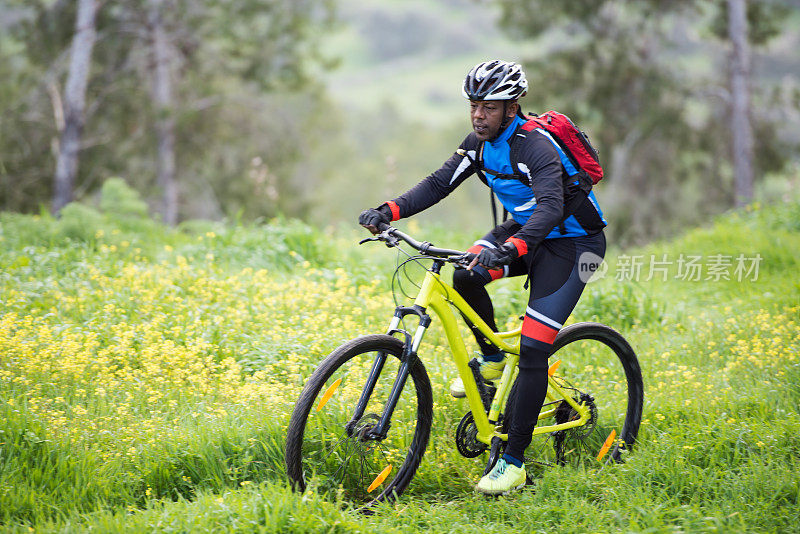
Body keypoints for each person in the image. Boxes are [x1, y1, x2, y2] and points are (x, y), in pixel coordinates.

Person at [359, 60, 607, 495]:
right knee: (466, 274)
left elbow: (550, 208)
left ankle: (513, 463)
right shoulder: (477, 143)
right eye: (474, 105)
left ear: (512, 108)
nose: (478, 115)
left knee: (533, 349)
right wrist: (389, 210)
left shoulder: (536, 147)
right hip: (524, 235)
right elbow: (438, 184)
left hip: (572, 245)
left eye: (489, 107)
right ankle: (492, 359)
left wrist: (511, 247)